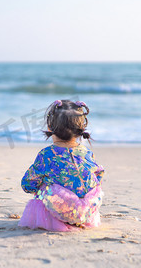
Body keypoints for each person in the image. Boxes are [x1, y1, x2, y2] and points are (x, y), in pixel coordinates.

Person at [18, 99, 105, 231]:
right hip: (87, 210)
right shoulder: (87, 153)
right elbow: (99, 175)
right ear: (81, 129)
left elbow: (28, 184)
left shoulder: (47, 154)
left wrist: (41, 187)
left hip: (59, 211)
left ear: (50, 127)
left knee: (44, 186)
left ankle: (59, 219)